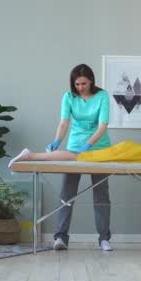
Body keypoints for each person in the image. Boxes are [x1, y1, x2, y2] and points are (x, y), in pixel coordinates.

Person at [42, 64, 113, 252]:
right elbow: (64, 122)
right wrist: (57, 141)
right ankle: (60, 237)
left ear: (91, 81)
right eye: (77, 84)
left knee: (101, 196)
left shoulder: (102, 96)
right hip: (74, 149)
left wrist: (88, 145)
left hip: (99, 150)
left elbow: (102, 125)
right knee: (66, 194)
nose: (80, 87)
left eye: (83, 83)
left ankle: (104, 239)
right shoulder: (69, 97)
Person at [9, 136, 141, 169]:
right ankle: (31, 155)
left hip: (130, 151)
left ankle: (31, 155)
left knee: (79, 157)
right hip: (130, 152)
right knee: (78, 157)